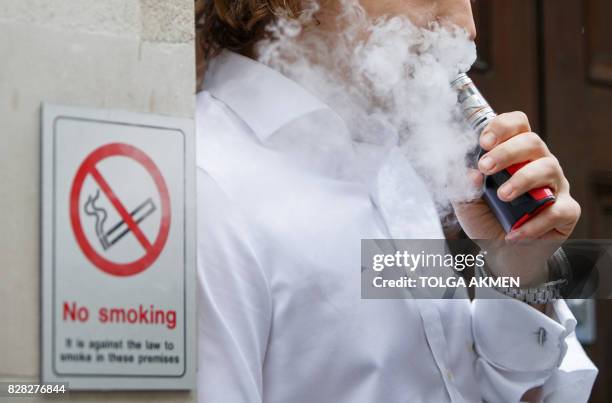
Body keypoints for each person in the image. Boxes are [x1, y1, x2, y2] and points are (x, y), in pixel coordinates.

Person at [194, 0, 598, 402]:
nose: (466, 26)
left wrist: (518, 271)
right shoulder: (204, 186)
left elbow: (481, 392)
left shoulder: (389, 165)